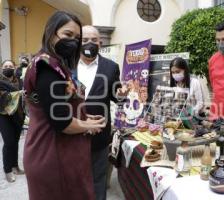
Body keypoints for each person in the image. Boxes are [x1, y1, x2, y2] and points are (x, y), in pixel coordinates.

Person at [23, 11, 106, 200]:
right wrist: (89, 125)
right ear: (52, 32)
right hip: (52, 154)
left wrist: (84, 117)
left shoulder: (56, 65)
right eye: (68, 35)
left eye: (77, 38)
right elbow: (61, 122)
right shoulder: (47, 67)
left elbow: (60, 106)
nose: (74, 42)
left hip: (57, 151)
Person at [76, 25, 128, 200]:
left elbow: (116, 96)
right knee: (73, 180)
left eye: (93, 40)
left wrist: (121, 95)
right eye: (84, 40)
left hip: (99, 134)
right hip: (70, 132)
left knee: (98, 180)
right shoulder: (66, 64)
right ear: (78, 41)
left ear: (100, 42)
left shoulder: (110, 67)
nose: (89, 43)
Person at [0, 60, 25, 183]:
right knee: (8, 142)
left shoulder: (19, 81)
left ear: (14, 68)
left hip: (18, 114)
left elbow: (26, 94)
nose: (8, 68)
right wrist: (14, 94)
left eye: (10, 66)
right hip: (3, 115)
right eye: (6, 66)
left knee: (15, 141)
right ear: (1, 68)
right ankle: (7, 170)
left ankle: (15, 166)